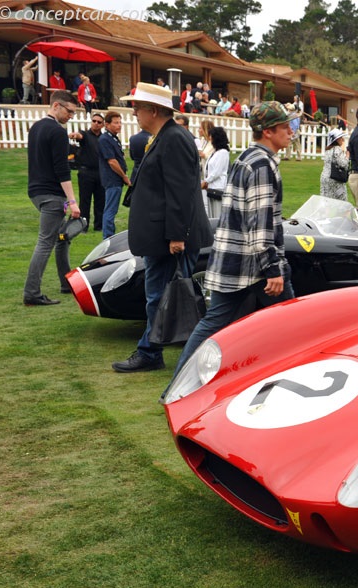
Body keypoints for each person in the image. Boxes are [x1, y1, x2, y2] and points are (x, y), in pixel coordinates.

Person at [169, 101, 297, 382]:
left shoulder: (247, 157)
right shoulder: (262, 164)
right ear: (268, 131)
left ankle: (178, 384)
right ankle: (291, 380)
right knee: (292, 325)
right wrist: (272, 269)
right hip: (252, 263)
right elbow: (260, 223)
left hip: (234, 259)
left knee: (214, 323)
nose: (291, 131)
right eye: (285, 126)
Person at [111, 82, 211, 373]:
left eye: (137, 107)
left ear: (153, 110)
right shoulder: (165, 136)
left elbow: (180, 192)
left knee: (161, 297)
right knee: (159, 296)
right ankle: (152, 351)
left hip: (172, 238)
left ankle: (151, 352)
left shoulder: (174, 138)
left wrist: (177, 236)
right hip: (164, 236)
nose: (134, 113)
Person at [22, 90, 82, 306]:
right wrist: (72, 201)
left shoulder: (36, 127)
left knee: (62, 238)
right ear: (56, 106)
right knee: (46, 241)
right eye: (69, 111)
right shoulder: (57, 131)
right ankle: (32, 292)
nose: (70, 116)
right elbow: (62, 170)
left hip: (37, 192)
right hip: (53, 195)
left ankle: (66, 282)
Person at [68, 112, 106, 232]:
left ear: (103, 125)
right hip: (86, 173)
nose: (96, 124)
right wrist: (75, 135)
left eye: (99, 122)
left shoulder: (103, 138)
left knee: (100, 201)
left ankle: (99, 226)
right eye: (94, 121)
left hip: (100, 173)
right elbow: (80, 136)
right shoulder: (85, 135)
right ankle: (83, 226)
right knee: (85, 201)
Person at [97, 110, 131, 239]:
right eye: (116, 123)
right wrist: (124, 176)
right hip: (112, 179)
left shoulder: (113, 138)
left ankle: (108, 234)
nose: (119, 125)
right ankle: (108, 236)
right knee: (110, 209)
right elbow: (112, 161)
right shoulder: (105, 139)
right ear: (107, 124)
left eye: (120, 122)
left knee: (112, 208)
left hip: (115, 179)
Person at [201, 126, 229, 218]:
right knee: (211, 214)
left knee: (217, 215)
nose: (210, 138)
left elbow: (217, 171)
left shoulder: (223, 152)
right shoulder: (215, 152)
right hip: (211, 187)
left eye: (211, 136)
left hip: (218, 187)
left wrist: (206, 181)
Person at [320, 128, 350, 201]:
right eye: (340, 138)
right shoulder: (337, 149)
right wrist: (347, 155)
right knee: (341, 201)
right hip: (335, 178)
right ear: (336, 139)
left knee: (326, 201)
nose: (342, 139)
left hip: (325, 177)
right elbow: (343, 164)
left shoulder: (328, 149)